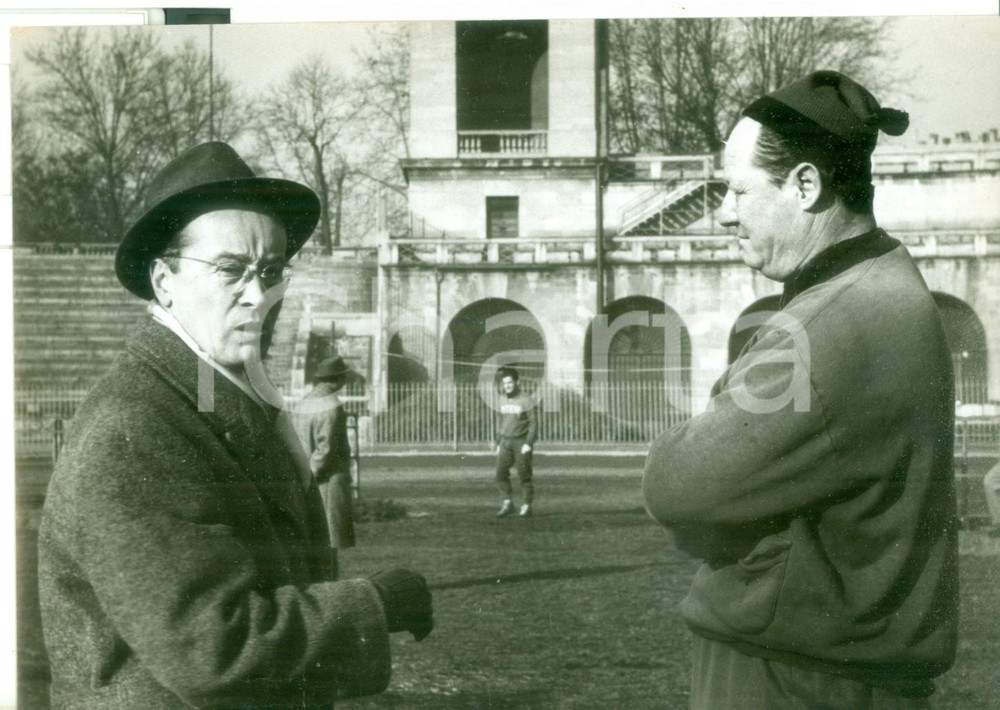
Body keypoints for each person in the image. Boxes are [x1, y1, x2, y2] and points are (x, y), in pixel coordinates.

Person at [38, 141, 433, 710]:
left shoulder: (209, 397)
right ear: (164, 281)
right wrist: (375, 604)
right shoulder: (135, 426)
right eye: (230, 270)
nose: (260, 295)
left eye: (272, 271)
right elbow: (213, 647)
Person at [642, 71, 958, 709]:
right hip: (838, 670)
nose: (724, 212)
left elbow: (674, 484)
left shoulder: (830, 323)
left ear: (806, 185)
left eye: (739, 190)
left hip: (792, 679)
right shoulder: (880, 285)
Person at [294, 356, 357, 572]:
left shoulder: (304, 402)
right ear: (338, 379)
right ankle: (330, 579)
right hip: (327, 480)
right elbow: (326, 448)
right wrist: (311, 474)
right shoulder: (331, 405)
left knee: (315, 537)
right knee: (330, 537)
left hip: (304, 475)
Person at [494, 366, 538, 517]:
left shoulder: (526, 399)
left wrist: (528, 443)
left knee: (524, 474)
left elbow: (533, 423)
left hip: (520, 442)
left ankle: (527, 505)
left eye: (510, 383)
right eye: (504, 383)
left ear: (516, 382)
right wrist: (498, 442)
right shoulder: (501, 398)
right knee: (500, 473)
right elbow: (501, 421)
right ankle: (507, 503)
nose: (507, 386)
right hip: (505, 442)